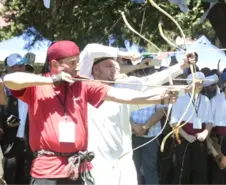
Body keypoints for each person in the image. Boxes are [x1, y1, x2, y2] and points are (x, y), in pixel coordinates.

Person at [1, 40, 179, 185]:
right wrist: (52, 81)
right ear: (55, 64)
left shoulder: (82, 83)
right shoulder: (37, 86)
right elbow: (9, 79)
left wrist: (161, 97)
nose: (77, 67)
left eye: (78, 61)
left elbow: (124, 96)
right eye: (72, 63)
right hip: (47, 168)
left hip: (77, 168)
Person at [78, 43, 197, 185]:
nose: (114, 69)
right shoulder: (85, 86)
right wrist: (123, 54)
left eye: (115, 66)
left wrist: (182, 69)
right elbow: (88, 50)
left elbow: (150, 82)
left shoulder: (121, 87)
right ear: (95, 69)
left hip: (124, 157)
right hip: (98, 160)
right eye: (109, 66)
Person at [170, 72, 213, 185]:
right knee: (182, 173)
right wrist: (186, 136)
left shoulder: (205, 100)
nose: (200, 84)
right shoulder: (180, 99)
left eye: (201, 82)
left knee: (200, 173)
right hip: (184, 141)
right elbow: (174, 122)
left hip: (200, 141)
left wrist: (205, 132)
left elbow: (209, 121)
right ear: (189, 83)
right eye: (197, 82)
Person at [0, 53, 30, 185]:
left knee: (24, 178)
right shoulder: (3, 87)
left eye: (24, 65)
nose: (23, 68)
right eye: (20, 65)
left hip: (26, 143)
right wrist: (4, 121)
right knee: (8, 178)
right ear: (11, 68)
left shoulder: (30, 86)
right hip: (8, 142)